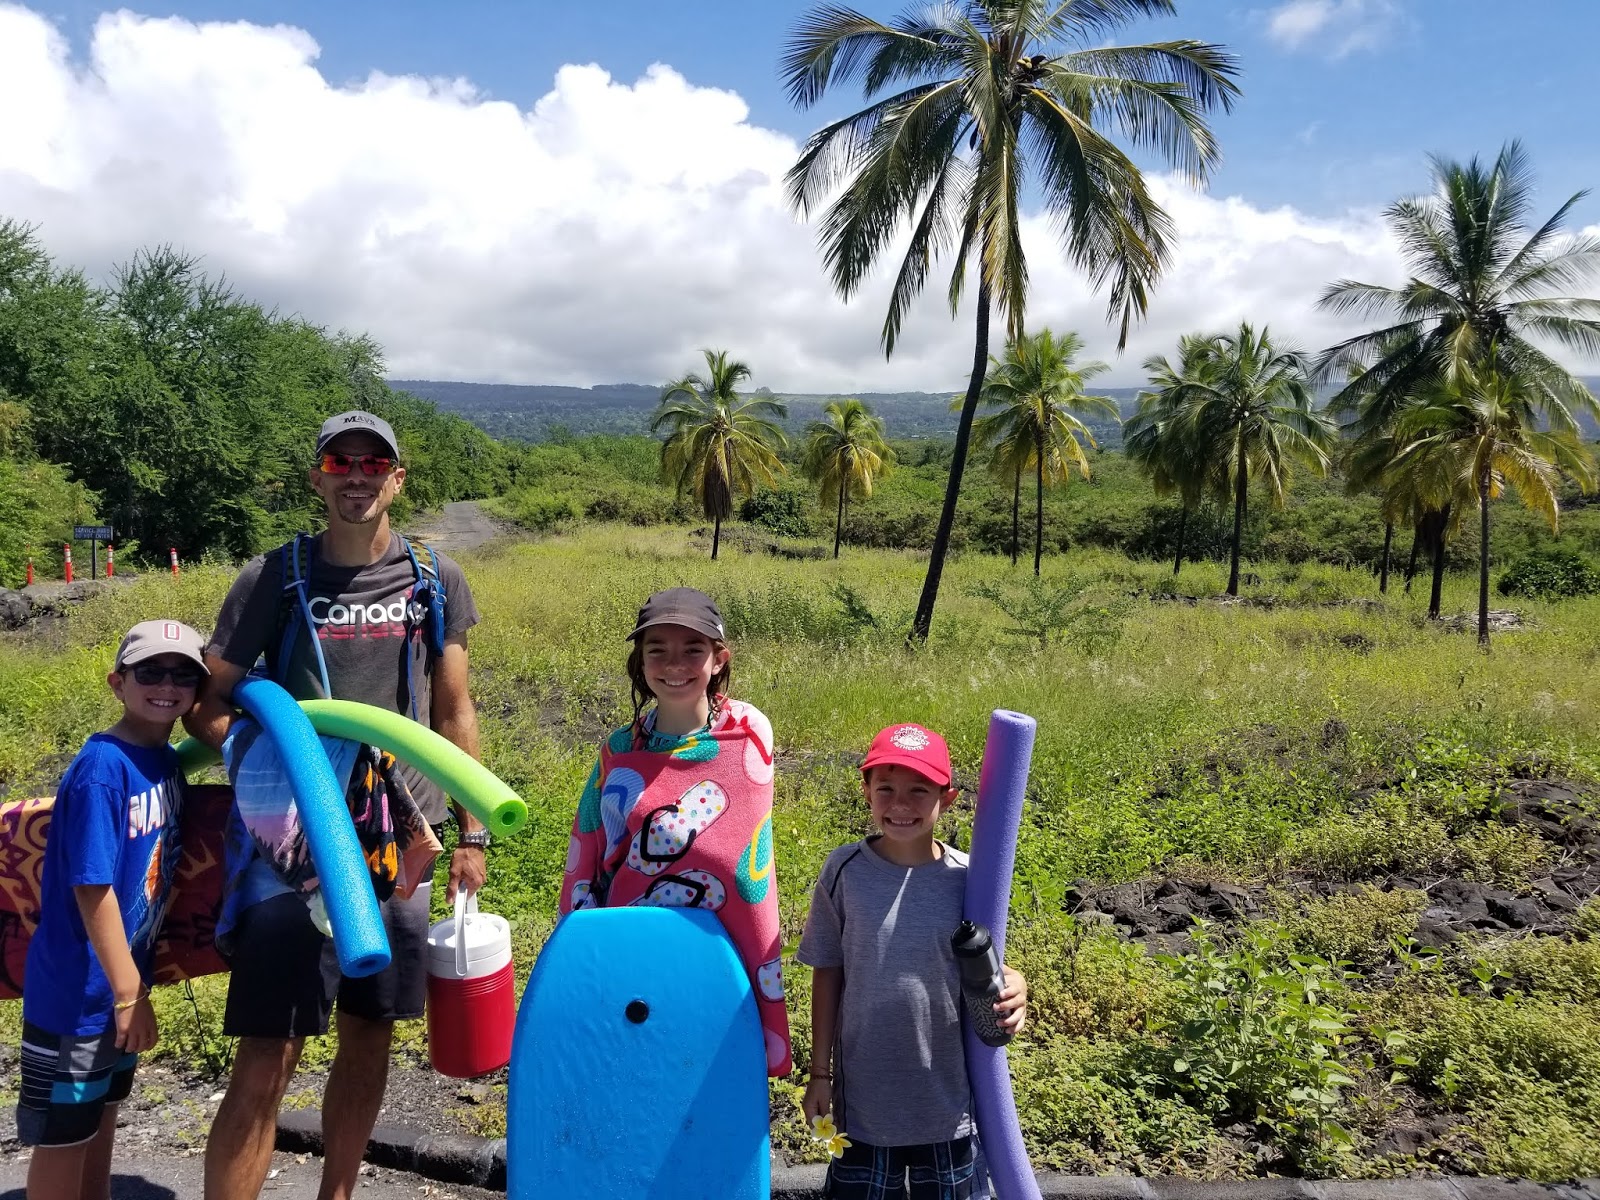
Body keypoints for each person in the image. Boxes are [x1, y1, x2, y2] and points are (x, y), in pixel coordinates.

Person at [186, 410, 486, 1200]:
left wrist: (472, 830)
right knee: (269, 1051)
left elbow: (454, 710)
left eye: (372, 462)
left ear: (398, 478)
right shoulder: (272, 577)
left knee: (369, 1035)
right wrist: (265, 761)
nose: (356, 475)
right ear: (317, 477)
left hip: (400, 845)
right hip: (295, 849)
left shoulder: (435, 579)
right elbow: (209, 701)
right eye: (339, 461)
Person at [559, 587, 792, 1076]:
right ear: (640, 661)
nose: (674, 665)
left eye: (693, 649)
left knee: (716, 1068)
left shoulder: (748, 731)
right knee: (642, 1065)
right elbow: (589, 847)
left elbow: (740, 848)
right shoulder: (619, 750)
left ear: (719, 658)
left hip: (727, 944)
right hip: (638, 941)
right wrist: (578, 945)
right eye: (657, 650)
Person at [798, 722, 1030, 1200]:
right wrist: (819, 1073)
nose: (900, 804)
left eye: (919, 791)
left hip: (948, 1104)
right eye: (885, 788)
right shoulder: (844, 871)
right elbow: (828, 970)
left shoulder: (969, 878)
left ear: (948, 798)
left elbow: (991, 962)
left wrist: (1016, 983)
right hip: (864, 1102)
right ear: (866, 791)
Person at [18, 619, 207, 1200]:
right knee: (64, 1136)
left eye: (183, 675)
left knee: (100, 1117)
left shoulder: (164, 762)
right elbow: (91, 888)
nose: (166, 685)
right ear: (117, 682)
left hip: (117, 987)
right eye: (150, 672)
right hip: (79, 995)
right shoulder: (103, 768)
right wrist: (130, 993)